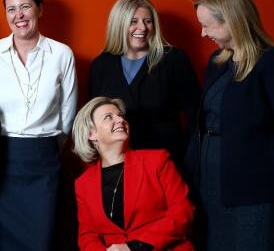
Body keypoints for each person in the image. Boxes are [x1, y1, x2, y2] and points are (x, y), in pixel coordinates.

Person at [0, 0, 77, 251]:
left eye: (25, 7)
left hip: (44, 158)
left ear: (39, 9)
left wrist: (46, 146)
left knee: (42, 238)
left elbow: (68, 113)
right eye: (11, 9)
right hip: (0, 157)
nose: (18, 15)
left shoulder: (61, 54)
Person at [186, 0, 274, 250]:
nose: (203, 33)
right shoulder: (218, 61)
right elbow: (203, 124)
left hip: (253, 192)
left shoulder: (272, 63)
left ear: (232, 21)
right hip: (211, 187)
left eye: (208, 25)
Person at [89, 0, 200, 167]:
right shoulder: (101, 65)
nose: (142, 27)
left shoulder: (174, 60)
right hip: (119, 162)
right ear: (119, 24)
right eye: (133, 21)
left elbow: (197, 114)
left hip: (167, 161)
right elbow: (94, 118)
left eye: (148, 21)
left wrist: (191, 156)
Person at [73, 96, 194, 251]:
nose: (120, 120)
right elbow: (87, 235)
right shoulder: (83, 184)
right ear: (91, 134)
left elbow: (183, 212)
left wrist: (135, 247)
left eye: (121, 116)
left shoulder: (157, 161)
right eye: (108, 117)